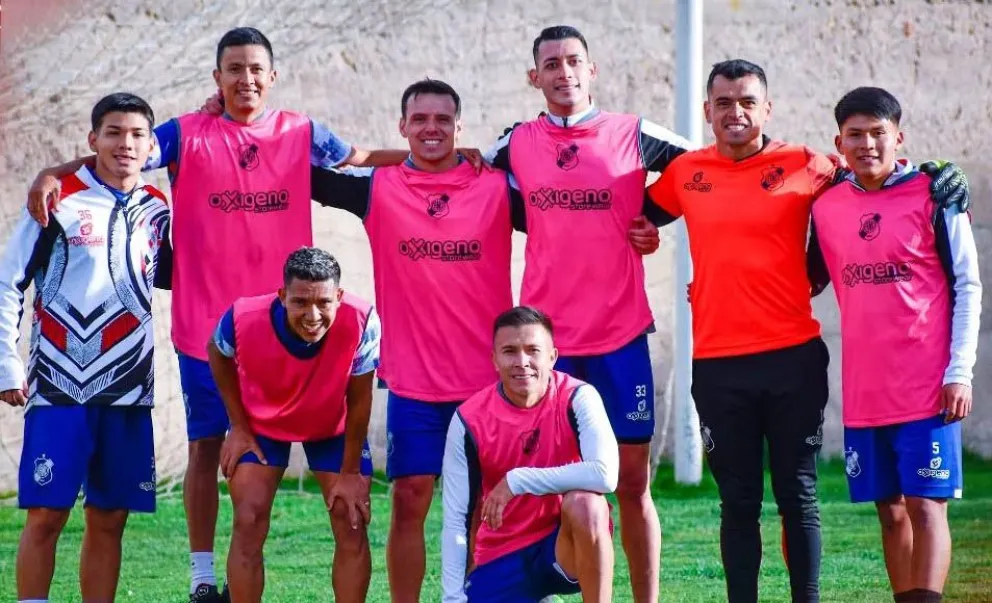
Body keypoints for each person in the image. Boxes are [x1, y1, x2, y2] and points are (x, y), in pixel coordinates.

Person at [23, 27, 429, 602]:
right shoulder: (186, 133)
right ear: (217, 77)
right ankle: (201, 574)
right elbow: (121, 153)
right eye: (234, 68)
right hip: (206, 329)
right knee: (208, 447)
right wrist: (54, 173)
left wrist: (438, 160)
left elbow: (359, 158)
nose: (246, 78)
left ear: (273, 75)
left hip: (288, 324)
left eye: (256, 68)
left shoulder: (300, 131)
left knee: (288, 487)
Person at [309, 77, 658, 603]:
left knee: (482, 508)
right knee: (409, 499)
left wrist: (644, 223)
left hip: (487, 384)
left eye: (443, 120)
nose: (431, 129)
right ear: (402, 126)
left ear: (460, 127)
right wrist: (235, 116)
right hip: (414, 381)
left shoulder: (496, 185)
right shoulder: (376, 187)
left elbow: (570, 207)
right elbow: (303, 169)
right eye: (419, 119)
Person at [646, 60, 970, 603]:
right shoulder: (686, 173)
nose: (736, 112)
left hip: (793, 357)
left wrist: (938, 173)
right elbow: (632, 212)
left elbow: (876, 175)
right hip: (718, 363)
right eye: (724, 103)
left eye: (747, 102)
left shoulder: (808, 164)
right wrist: (641, 235)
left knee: (798, 496)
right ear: (707, 111)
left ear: (767, 109)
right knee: (738, 503)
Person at [484, 26, 688, 601]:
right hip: (547, 349)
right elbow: (461, 170)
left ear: (591, 69)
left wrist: (649, 216)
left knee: (631, 484)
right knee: (552, 485)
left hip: (621, 338)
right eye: (551, 64)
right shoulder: (514, 143)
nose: (564, 72)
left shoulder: (634, 133)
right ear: (535, 77)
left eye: (573, 60)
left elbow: (706, 169)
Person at [808, 87, 981, 603]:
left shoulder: (936, 195)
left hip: (928, 387)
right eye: (855, 135)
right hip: (865, 390)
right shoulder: (826, 206)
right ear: (839, 143)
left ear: (898, 137)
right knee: (890, 511)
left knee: (926, 505)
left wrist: (960, 371)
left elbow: (968, 284)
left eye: (878, 133)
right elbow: (802, 275)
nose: (867, 144)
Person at [0, 93, 170, 603]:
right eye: (113, 133)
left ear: (150, 145)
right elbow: (8, 280)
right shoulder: (56, 199)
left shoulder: (158, 208)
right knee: (47, 513)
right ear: (93, 139)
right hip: (59, 385)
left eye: (137, 134)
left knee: (110, 516)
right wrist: (6, 363)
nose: (125, 144)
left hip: (129, 387)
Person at [206, 247, 379, 603]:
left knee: (351, 520)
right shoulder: (242, 317)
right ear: (282, 295)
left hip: (332, 424)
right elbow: (216, 352)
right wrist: (238, 426)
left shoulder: (363, 319)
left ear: (339, 297)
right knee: (248, 519)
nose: (312, 315)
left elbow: (361, 400)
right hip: (261, 424)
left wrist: (350, 472)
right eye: (300, 302)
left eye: (324, 303)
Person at [441, 306, 619, 603]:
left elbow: (606, 475)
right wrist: (451, 598)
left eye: (533, 350)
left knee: (587, 505)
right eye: (509, 351)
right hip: (502, 552)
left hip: (562, 547)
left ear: (552, 356)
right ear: (494, 359)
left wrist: (518, 480)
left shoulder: (579, 397)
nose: (522, 362)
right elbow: (456, 518)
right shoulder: (468, 419)